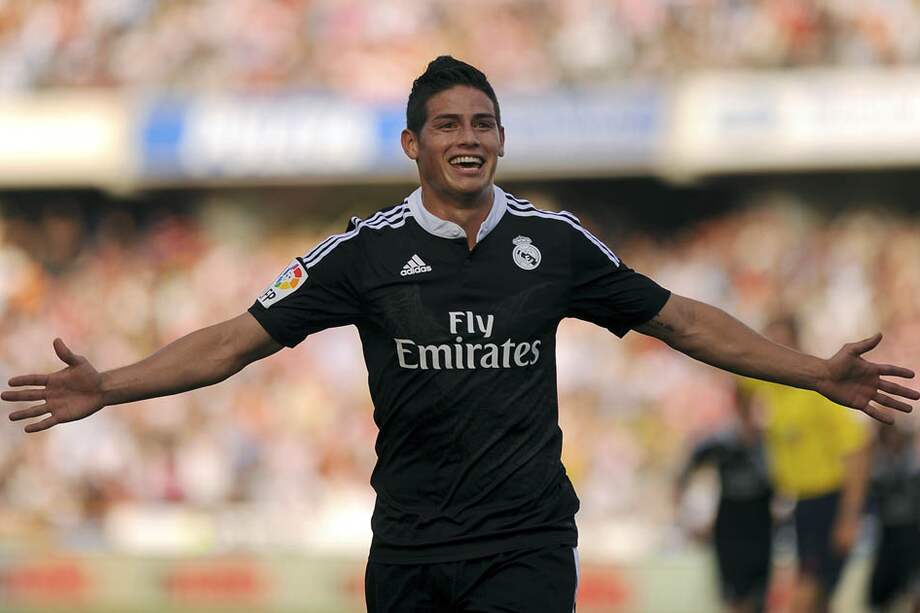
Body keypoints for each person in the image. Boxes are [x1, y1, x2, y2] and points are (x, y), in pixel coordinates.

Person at [3, 56, 918, 613]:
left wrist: (810, 371)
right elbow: (235, 340)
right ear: (413, 145)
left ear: (503, 139)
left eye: (483, 123)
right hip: (407, 550)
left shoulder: (553, 244)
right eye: (448, 124)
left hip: (526, 542)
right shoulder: (361, 255)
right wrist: (110, 384)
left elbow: (679, 318)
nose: (468, 137)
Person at [742, 316, 874, 613]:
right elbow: (734, 369)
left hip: (828, 499)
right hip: (799, 501)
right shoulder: (771, 387)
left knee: (809, 591)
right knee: (819, 594)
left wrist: (849, 517)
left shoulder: (817, 391)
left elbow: (857, 448)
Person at [674, 382, 774, 613]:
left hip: (760, 523)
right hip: (732, 523)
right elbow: (683, 474)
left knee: (758, 595)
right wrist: (686, 518)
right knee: (736, 597)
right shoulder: (723, 440)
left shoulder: (769, 439)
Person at [865, 420, 920, 612]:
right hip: (887, 531)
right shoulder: (878, 463)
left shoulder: (911, 461)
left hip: (912, 530)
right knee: (882, 584)